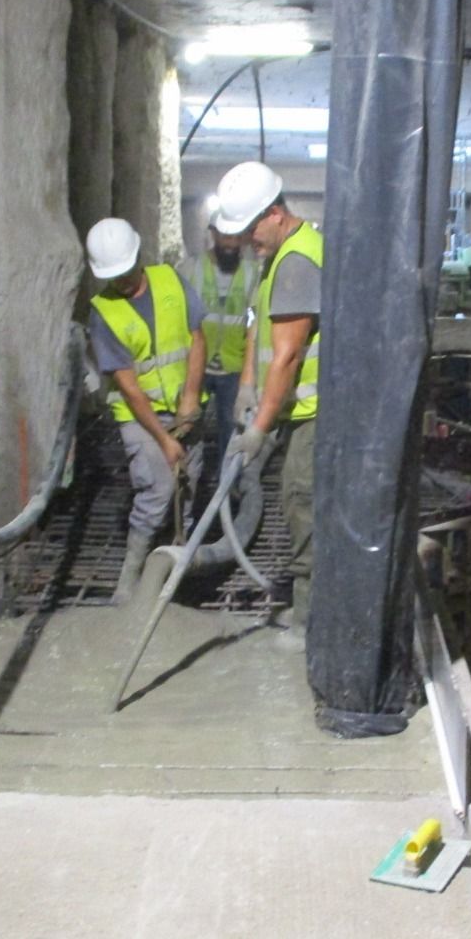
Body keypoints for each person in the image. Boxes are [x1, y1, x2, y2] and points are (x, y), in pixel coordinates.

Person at [212, 161, 320, 632]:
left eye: (251, 228)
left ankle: (310, 617)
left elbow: (289, 358)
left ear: (276, 212)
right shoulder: (276, 255)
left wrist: (259, 429)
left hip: (317, 411)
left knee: (302, 498)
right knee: (291, 496)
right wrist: (246, 388)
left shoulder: (297, 260)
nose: (243, 241)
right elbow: (259, 327)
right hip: (293, 407)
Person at [84, 217, 208, 602]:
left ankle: (175, 581)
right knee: (157, 490)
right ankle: (130, 582)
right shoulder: (103, 313)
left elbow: (197, 338)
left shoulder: (170, 280)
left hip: (184, 408)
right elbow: (129, 386)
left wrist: (190, 396)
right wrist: (162, 438)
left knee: (186, 490)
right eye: (112, 275)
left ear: (138, 255)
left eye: (124, 271)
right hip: (141, 417)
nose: (120, 281)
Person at [178, 210, 259, 463]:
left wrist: (249, 377)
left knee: (231, 429)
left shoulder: (253, 273)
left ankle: (228, 489)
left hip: (233, 367)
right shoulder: (190, 269)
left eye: (236, 238)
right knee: (188, 424)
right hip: (195, 364)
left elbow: (254, 322)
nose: (231, 244)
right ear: (213, 234)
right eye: (225, 237)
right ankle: (188, 479)